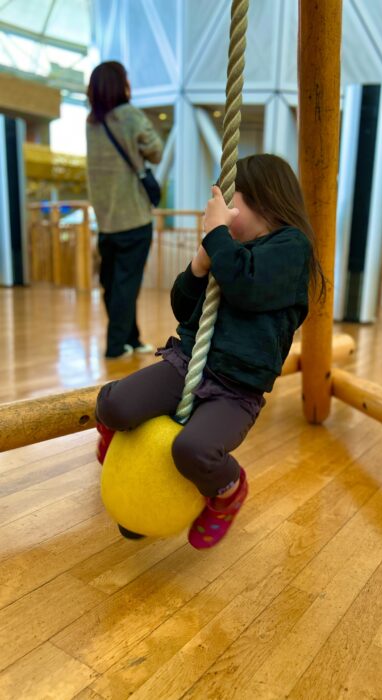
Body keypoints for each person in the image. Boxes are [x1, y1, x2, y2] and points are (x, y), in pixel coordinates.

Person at [96, 153, 326, 548]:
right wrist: (199, 264)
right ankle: (119, 453)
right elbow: (182, 309)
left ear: (265, 201)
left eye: (233, 204)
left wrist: (217, 236)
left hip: (237, 389)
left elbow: (246, 286)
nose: (226, 213)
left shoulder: (292, 247)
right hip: (188, 363)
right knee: (114, 404)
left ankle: (228, 490)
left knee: (194, 448)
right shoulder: (226, 254)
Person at [86, 61, 163, 359]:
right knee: (126, 285)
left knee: (112, 283)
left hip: (105, 221)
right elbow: (155, 150)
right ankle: (116, 345)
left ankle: (132, 338)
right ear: (122, 85)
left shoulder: (91, 123)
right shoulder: (130, 117)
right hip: (134, 218)